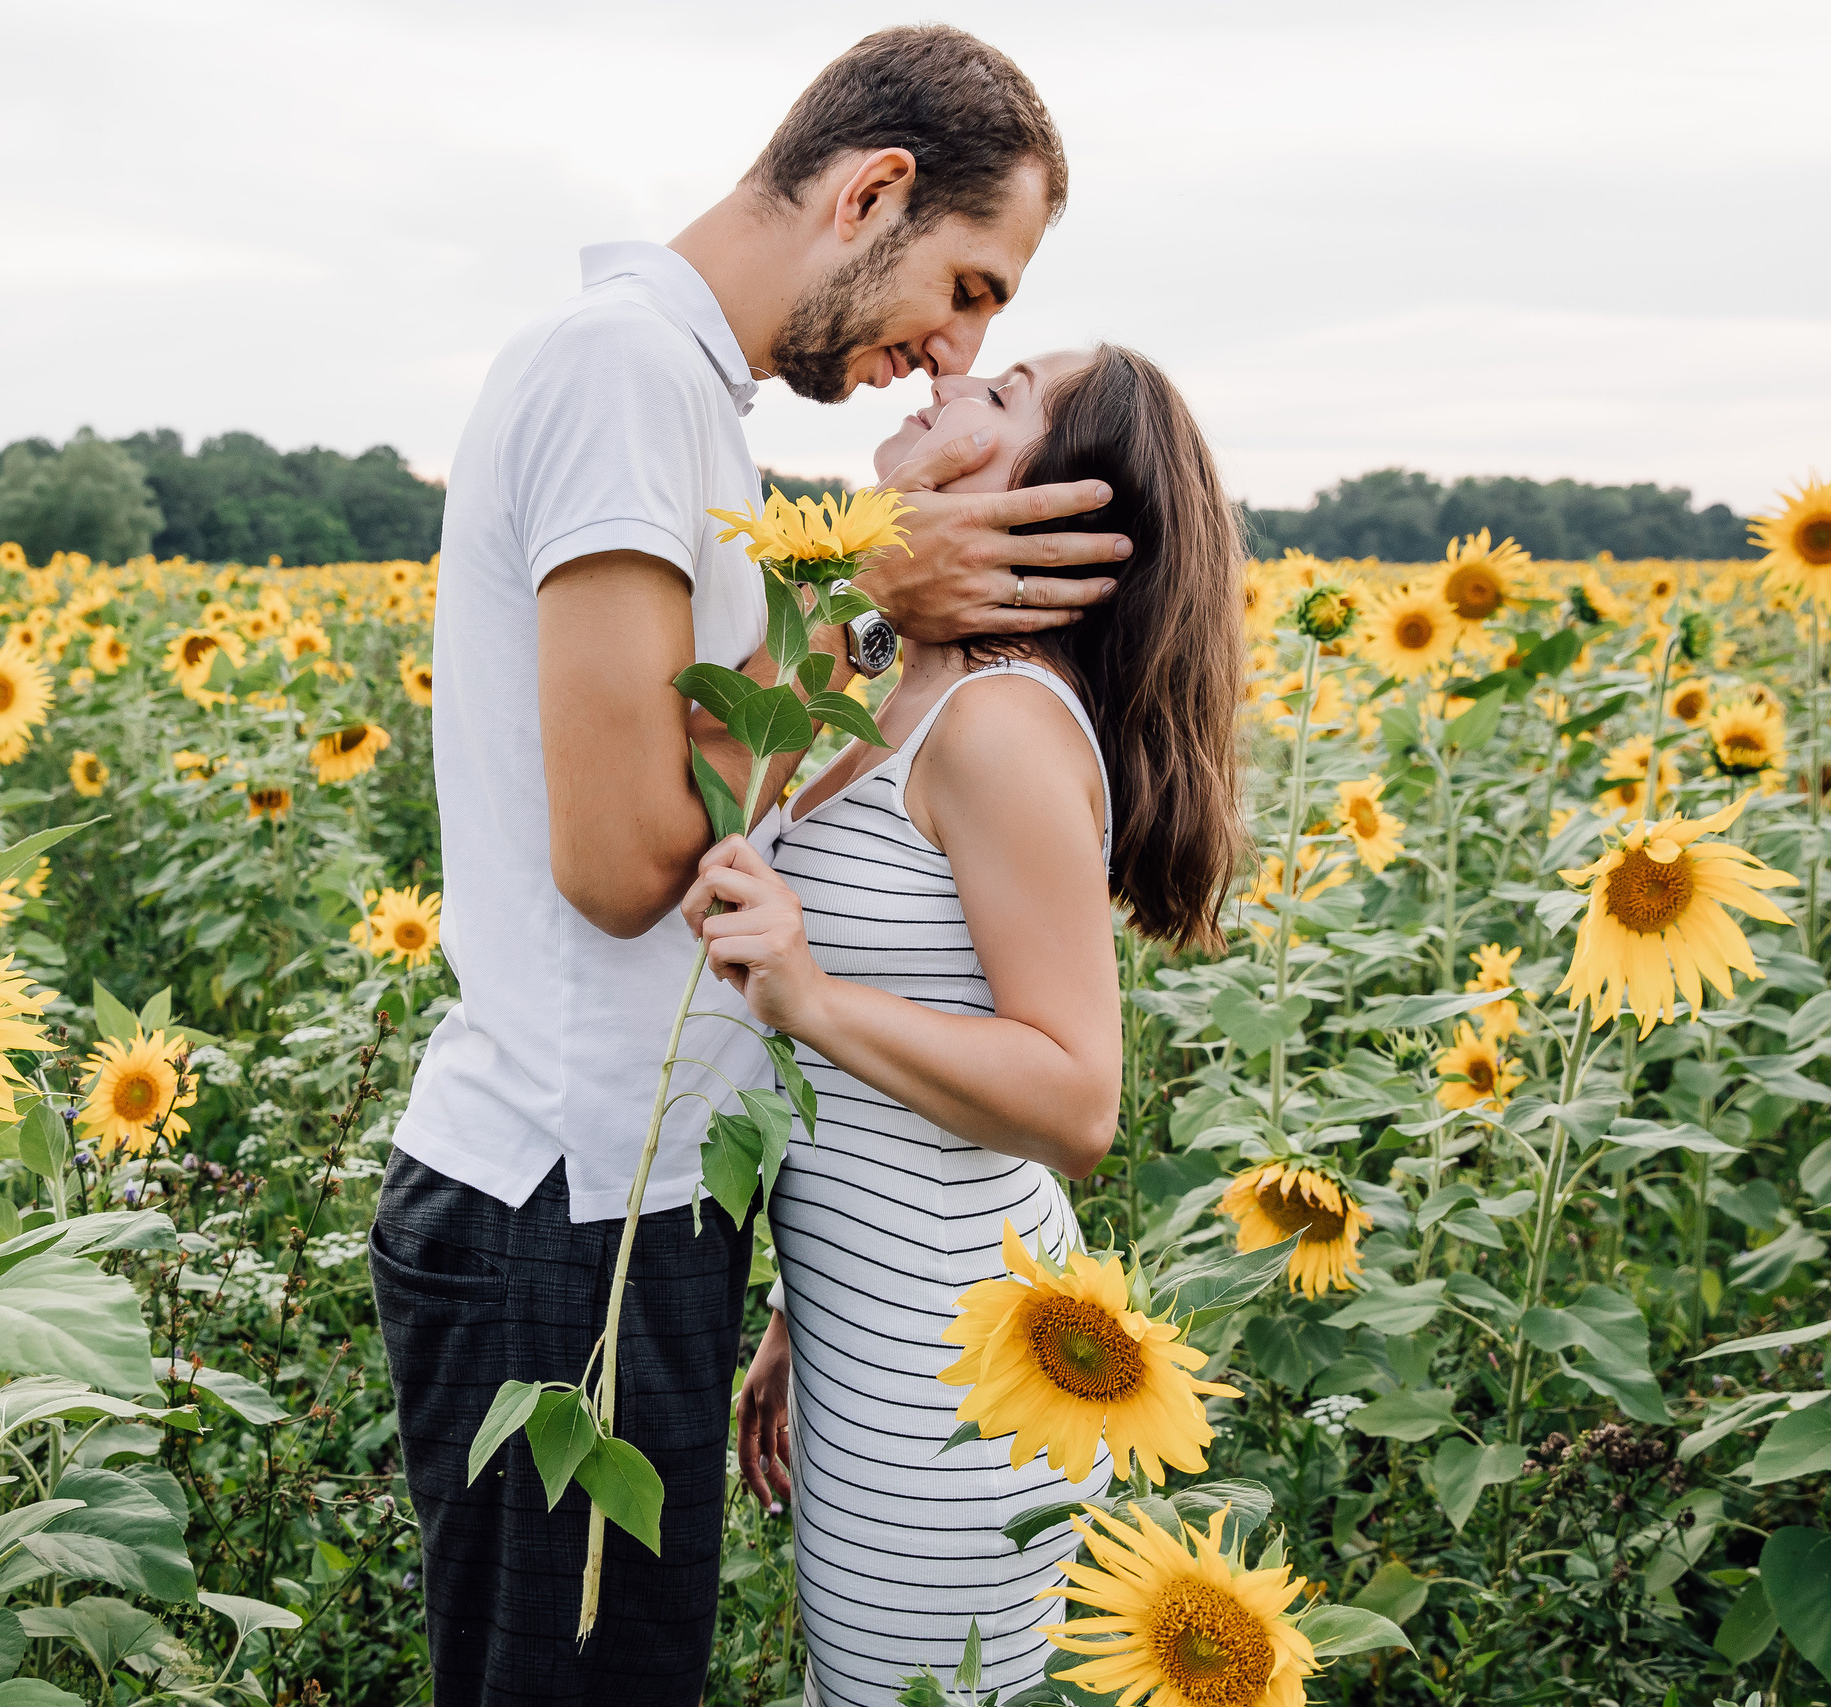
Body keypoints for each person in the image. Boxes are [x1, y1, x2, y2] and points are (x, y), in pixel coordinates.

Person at [366, 26, 1133, 1707]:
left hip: (634, 1207)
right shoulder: (623, 375)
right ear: (873, 192)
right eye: (972, 284)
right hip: (557, 1209)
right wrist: (876, 607)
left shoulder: (685, 404)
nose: (954, 348)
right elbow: (623, 857)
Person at [692, 345, 1248, 1705]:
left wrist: (810, 997)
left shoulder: (996, 722)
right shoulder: (894, 668)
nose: (936, 390)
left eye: (999, 399)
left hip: (961, 1393)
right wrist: (794, 1318)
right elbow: (910, 1084)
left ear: (1058, 504)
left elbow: (1075, 1101)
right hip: (874, 1342)